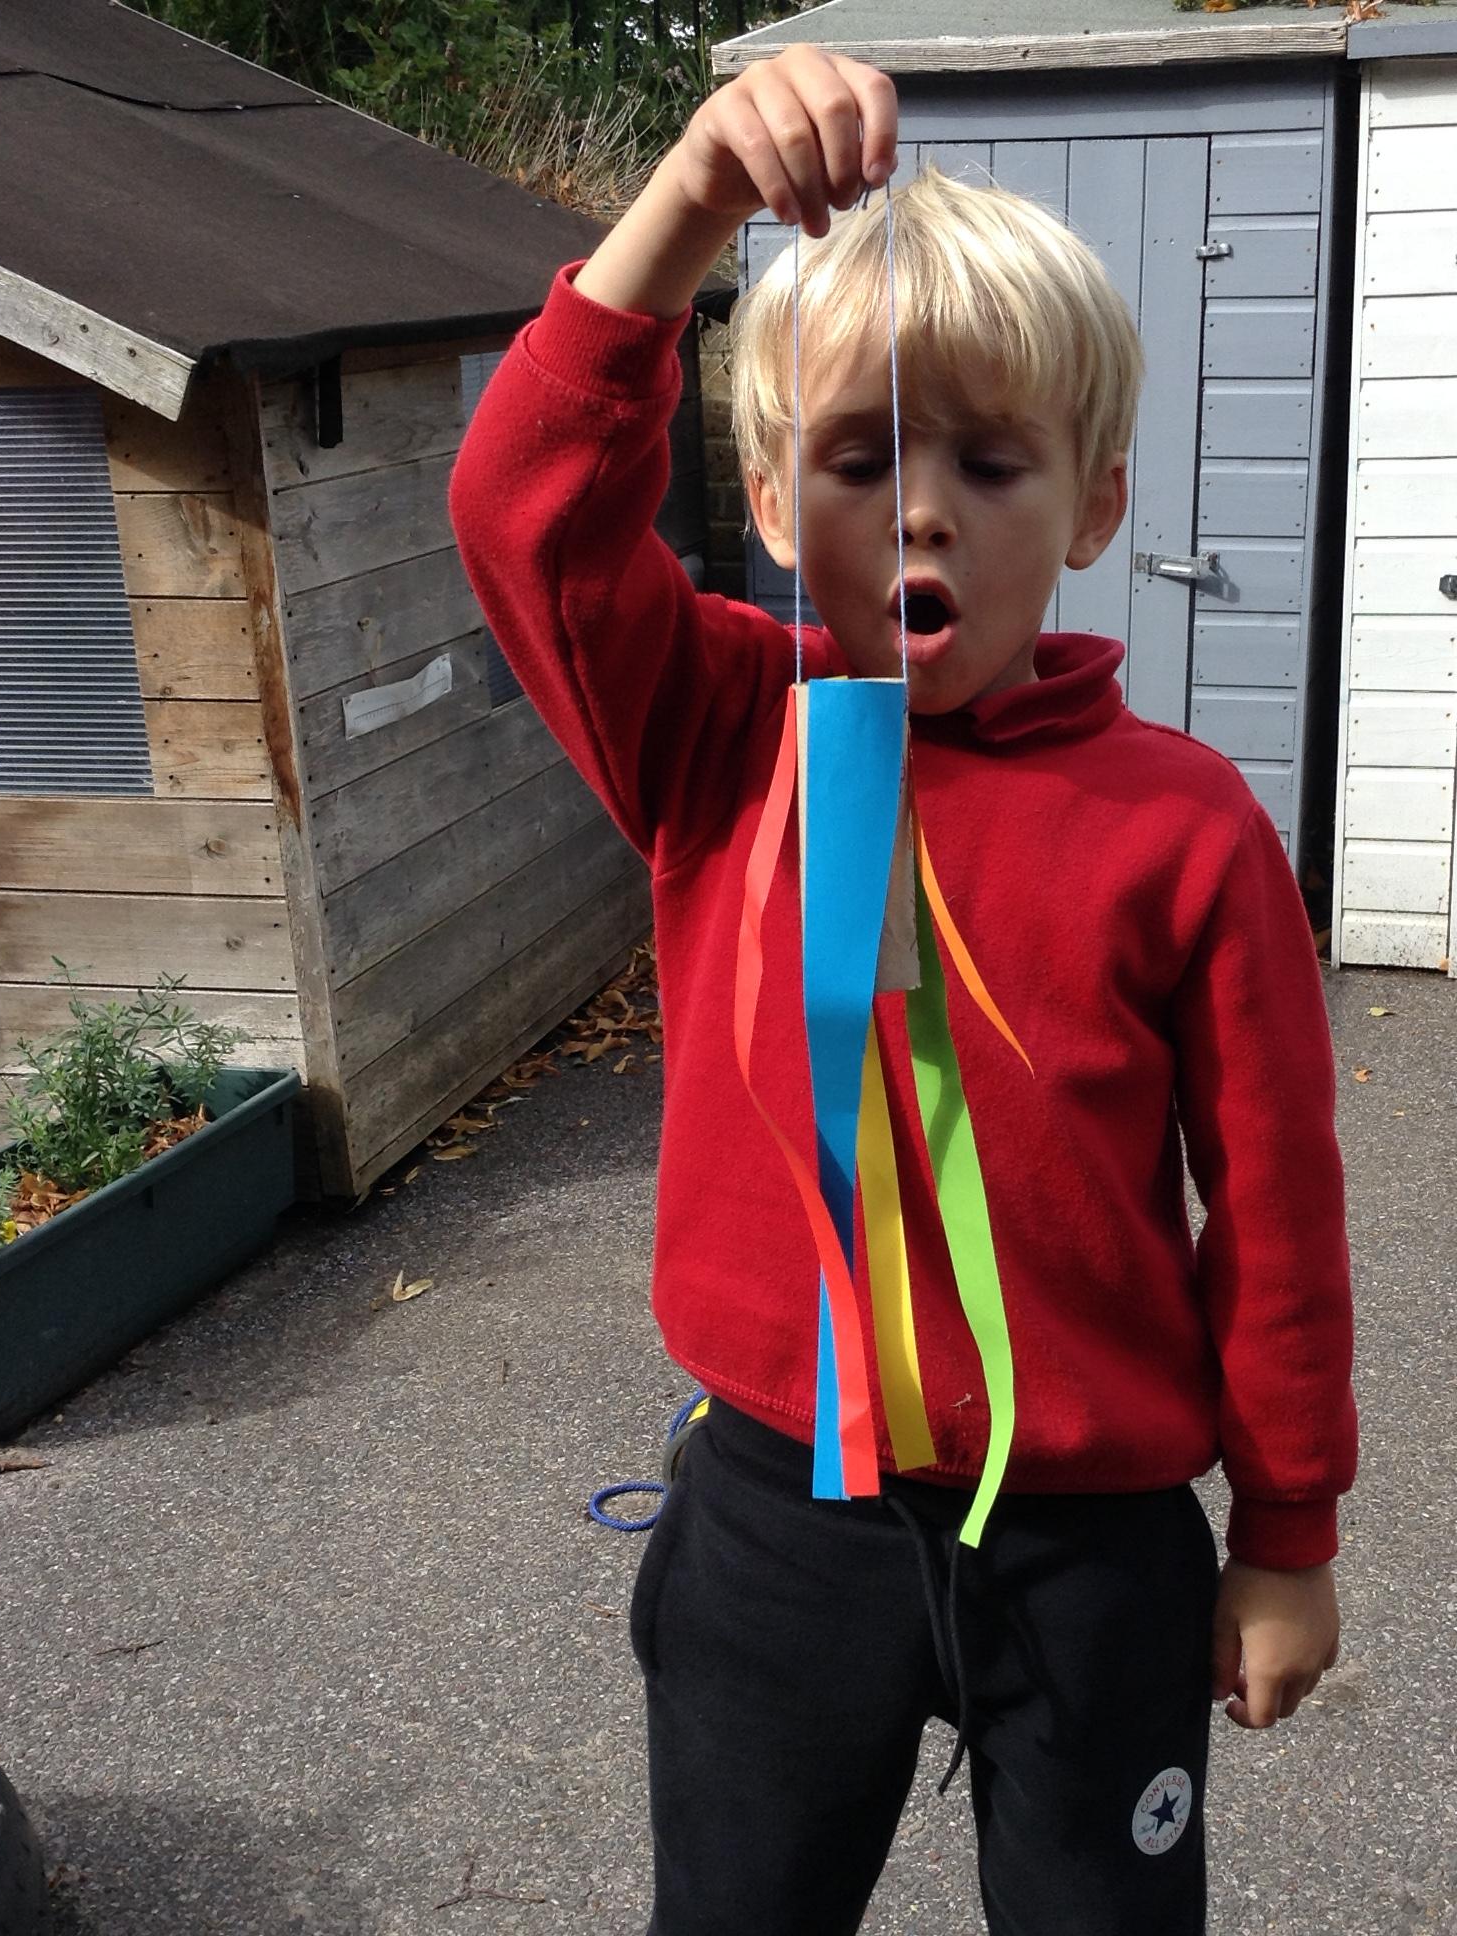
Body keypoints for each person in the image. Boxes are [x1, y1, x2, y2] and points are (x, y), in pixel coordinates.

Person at [448, 46, 1356, 1936]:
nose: (921, 514)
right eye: (862, 464)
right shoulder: (716, 735)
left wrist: (1285, 1533)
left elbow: (1274, 1213)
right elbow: (523, 510)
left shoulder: (1185, 826)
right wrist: (694, 192)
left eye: (989, 465)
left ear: (1096, 505)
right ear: (774, 503)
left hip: (1092, 1543)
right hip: (779, 1521)